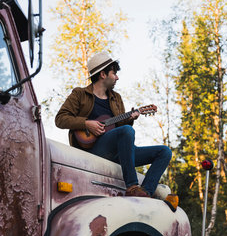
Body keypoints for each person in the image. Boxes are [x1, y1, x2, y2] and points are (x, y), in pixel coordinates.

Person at [55, 51, 172, 198]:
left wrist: (131, 118)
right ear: (103, 74)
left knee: (164, 152)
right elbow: (60, 119)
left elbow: (121, 127)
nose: (117, 77)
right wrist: (86, 124)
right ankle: (132, 186)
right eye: (114, 73)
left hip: (119, 152)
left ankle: (145, 192)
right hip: (92, 150)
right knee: (127, 131)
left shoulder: (116, 98)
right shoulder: (80, 94)